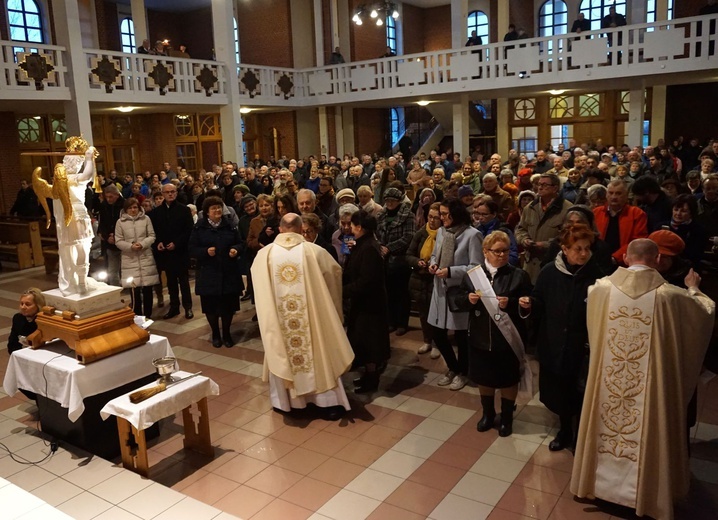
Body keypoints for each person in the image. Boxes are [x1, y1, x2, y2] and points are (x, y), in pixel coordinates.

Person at [571, 239, 715, 520]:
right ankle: (645, 495)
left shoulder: (600, 289)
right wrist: (695, 289)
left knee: (605, 420)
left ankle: (598, 487)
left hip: (609, 382)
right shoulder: (671, 296)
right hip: (646, 387)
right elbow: (704, 314)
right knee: (647, 424)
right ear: (658, 259)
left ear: (625, 257)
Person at [253, 213, 354, 419]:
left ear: (280, 229)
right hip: (313, 321)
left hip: (280, 324)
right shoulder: (315, 252)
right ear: (301, 229)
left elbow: (260, 293)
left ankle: (286, 402)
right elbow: (334, 278)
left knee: (281, 350)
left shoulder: (264, 256)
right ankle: (327, 403)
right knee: (320, 353)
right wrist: (334, 313)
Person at [528, 223, 606, 451]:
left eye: (587, 248)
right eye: (577, 248)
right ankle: (565, 430)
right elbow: (539, 300)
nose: (583, 253)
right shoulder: (550, 272)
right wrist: (529, 304)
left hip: (582, 346)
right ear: (564, 248)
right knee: (560, 390)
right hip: (554, 341)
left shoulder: (598, 275)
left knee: (581, 390)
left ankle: (583, 432)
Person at [451, 231, 532, 436]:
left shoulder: (519, 275)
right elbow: (457, 300)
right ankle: (487, 413)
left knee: (508, 379)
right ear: (485, 252)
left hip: (507, 339)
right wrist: (467, 299)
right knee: (484, 378)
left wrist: (513, 303)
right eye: (497, 251)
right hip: (480, 337)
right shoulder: (474, 276)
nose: (502, 255)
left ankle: (506, 417)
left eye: (506, 251)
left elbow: (531, 303)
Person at [428, 198, 484, 391]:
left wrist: (451, 271)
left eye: (445, 214)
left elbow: (476, 265)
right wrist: (433, 264)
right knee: (437, 332)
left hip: (459, 290)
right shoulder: (442, 231)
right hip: (440, 288)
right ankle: (453, 367)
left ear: (456, 214)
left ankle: (463, 372)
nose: (441, 218)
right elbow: (436, 253)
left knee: (461, 335)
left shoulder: (472, 235)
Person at [32, 137, 98, 296]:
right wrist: (89, 159)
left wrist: (88, 159)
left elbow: (87, 175)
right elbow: (87, 175)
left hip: (79, 215)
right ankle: (78, 281)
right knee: (77, 249)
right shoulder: (64, 180)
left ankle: (82, 280)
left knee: (84, 248)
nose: (72, 165)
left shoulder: (73, 178)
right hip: (70, 218)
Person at [343, 210, 390, 393]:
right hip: (363, 304)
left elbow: (367, 281)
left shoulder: (369, 248)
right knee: (362, 342)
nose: (350, 229)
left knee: (370, 344)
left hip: (370, 306)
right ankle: (367, 376)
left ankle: (372, 380)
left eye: (353, 226)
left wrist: (343, 291)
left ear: (360, 227)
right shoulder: (363, 244)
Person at [189, 196, 243, 347]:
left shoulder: (230, 225)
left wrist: (235, 250)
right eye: (213, 208)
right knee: (211, 307)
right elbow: (192, 249)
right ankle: (215, 333)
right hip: (208, 272)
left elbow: (240, 243)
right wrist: (205, 251)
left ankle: (226, 333)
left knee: (228, 306)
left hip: (228, 271)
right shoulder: (199, 227)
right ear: (207, 212)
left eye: (219, 207)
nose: (217, 210)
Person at [515, 173, 573, 283]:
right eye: (539, 184)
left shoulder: (567, 209)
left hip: (553, 264)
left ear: (555, 188)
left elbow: (568, 237)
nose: (540, 187)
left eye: (545, 185)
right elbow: (520, 229)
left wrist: (546, 245)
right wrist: (524, 240)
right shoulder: (530, 207)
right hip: (530, 265)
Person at [149, 183, 194, 320]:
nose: (170, 194)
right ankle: (174, 307)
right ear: (162, 194)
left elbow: (189, 231)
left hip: (180, 251)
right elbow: (154, 232)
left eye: (172, 192)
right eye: (167, 192)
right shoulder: (155, 213)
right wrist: (159, 243)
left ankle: (188, 307)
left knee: (184, 281)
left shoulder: (184, 210)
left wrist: (177, 243)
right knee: (171, 282)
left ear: (176, 193)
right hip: (166, 253)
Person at [376, 187, 416, 336]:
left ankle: (402, 323)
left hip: (400, 260)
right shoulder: (381, 215)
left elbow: (408, 237)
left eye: (392, 200)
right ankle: (391, 321)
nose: (390, 203)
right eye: (387, 200)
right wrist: (380, 246)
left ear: (399, 201)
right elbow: (377, 234)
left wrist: (389, 248)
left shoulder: (408, 215)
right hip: (384, 260)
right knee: (388, 293)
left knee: (401, 293)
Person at [406, 202, 442, 359]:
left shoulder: (444, 235)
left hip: (436, 279)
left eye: (436, 218)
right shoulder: (421, 233)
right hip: (420, 279)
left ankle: (438, 343)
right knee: (423, 313)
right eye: (430, 217)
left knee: (437, 313)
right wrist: (417, 262)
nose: (432, 221)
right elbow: (409, 254)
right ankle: (427, 340)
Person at [114, 197, 159, 318]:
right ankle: (138, 314)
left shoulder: (146, 219)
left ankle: (148, 314)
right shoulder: (120, 222)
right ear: (125, 210)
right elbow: (118, 241)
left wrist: (143, 244)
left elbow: (152, 235)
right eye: (130, 208)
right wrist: (130, 246)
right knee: (134, 290)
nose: (133, 210)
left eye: (135, 207)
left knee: (148, 289)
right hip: (130, 259)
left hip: (145, 256)